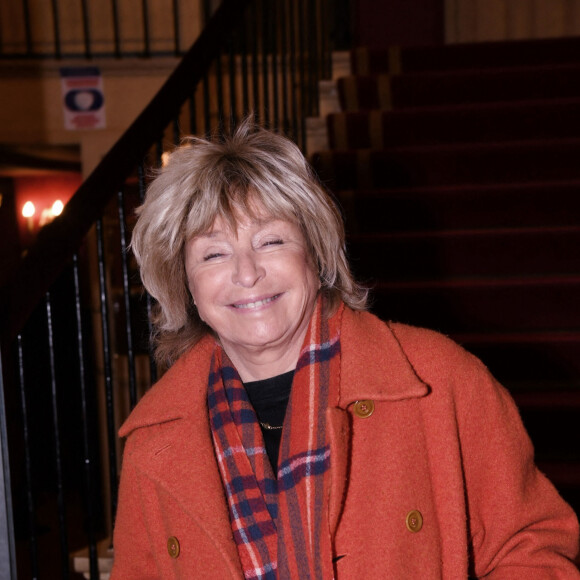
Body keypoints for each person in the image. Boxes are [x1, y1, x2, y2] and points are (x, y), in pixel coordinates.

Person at [111, 119, 580, 579]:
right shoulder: (155, 437)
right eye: (213, 254)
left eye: (270, 241)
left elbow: (534, 548)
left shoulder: (439, 379)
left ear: (315, 253)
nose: (246, 273)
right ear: (185, 283)